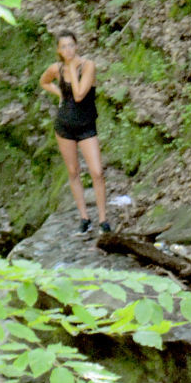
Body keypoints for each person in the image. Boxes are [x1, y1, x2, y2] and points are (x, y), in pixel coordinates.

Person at [39, 30, 111, 237]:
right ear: (58, 50)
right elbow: (43, 81)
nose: (68, 50)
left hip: (86, 125)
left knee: (97, 172)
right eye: (63, 47)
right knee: (73, 172)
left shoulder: (88, 66)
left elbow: (79, 95)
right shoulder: (57, 69)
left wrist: (72, 67)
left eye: (71, 45)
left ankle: (103, 219)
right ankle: (84, 217)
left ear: (77, 46)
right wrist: (59, 92)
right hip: (64, 126)